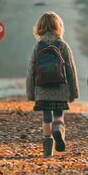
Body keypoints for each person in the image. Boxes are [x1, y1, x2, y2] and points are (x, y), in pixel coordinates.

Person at [26, 12, 79, 158]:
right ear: (58, 26)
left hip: (42, 89)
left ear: (40, 27)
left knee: (46, 117)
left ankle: (47, 150)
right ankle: (58, 129)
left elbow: (31, 70)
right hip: (60, 88)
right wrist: (73, 92)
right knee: (58, 115)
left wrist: (30, 93)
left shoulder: (38, 46)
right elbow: (70, 70)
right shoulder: (62, 45)